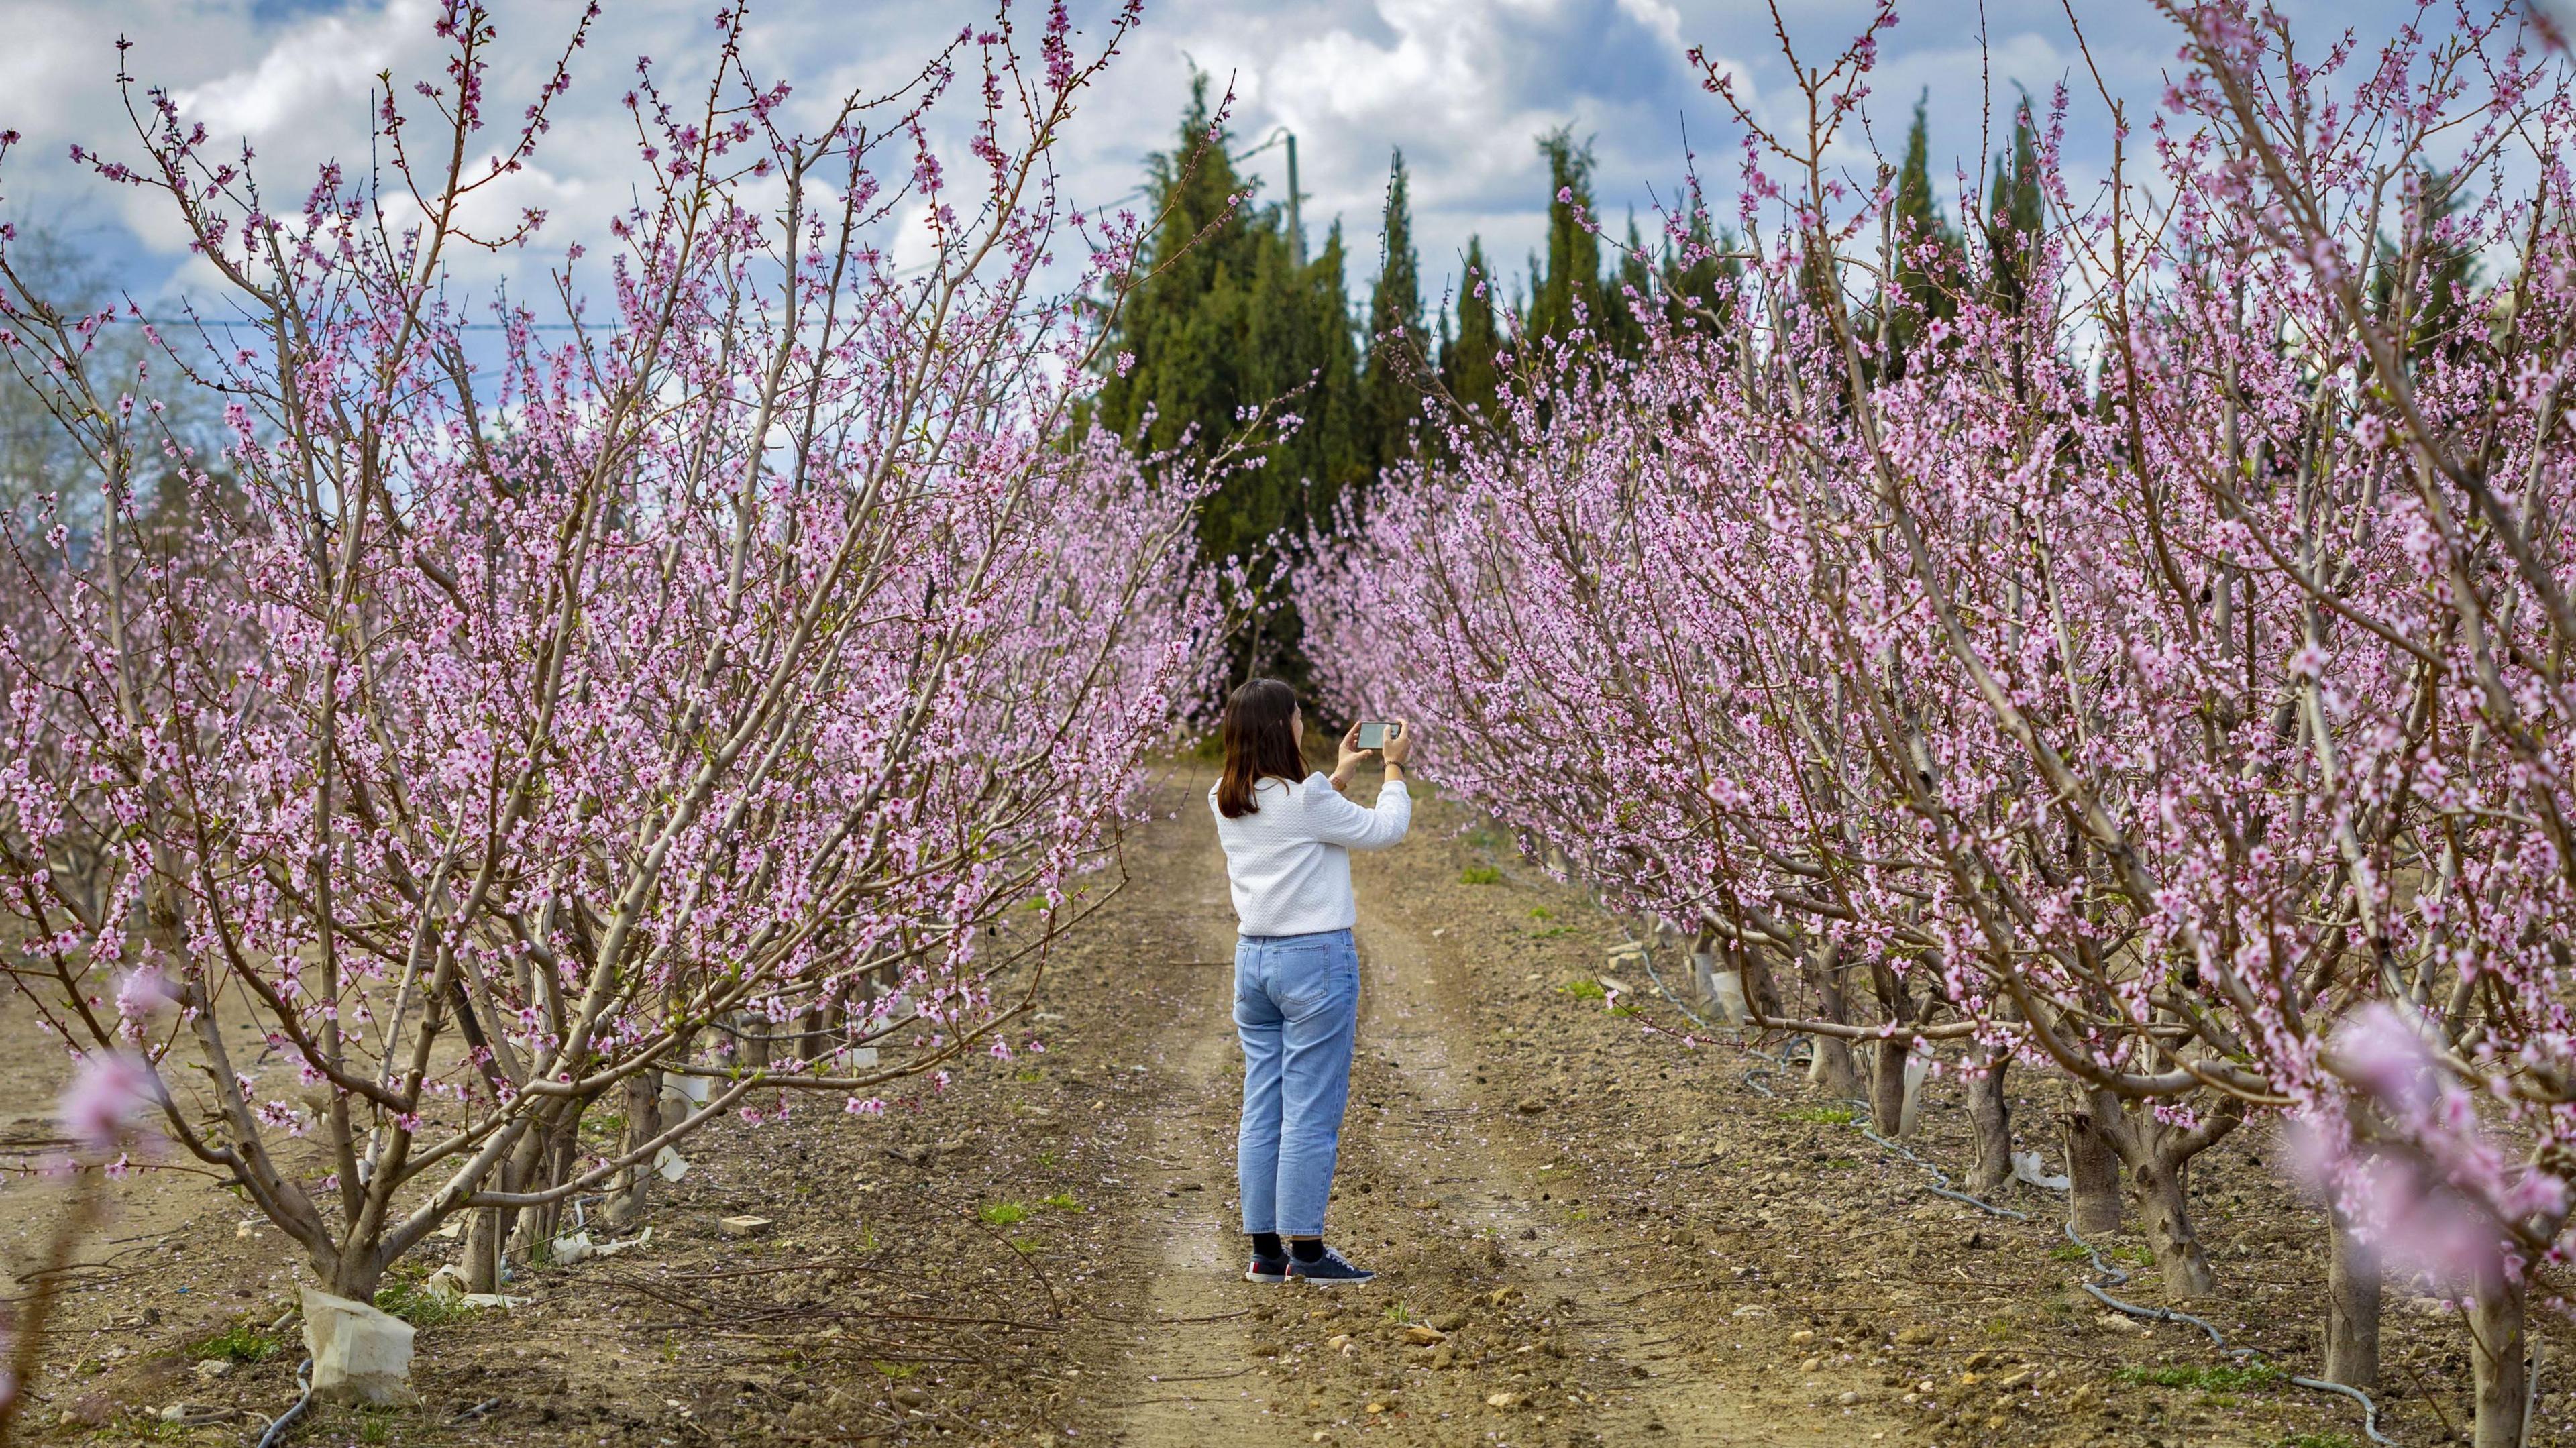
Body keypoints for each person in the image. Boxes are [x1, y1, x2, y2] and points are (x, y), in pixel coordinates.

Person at [1208, 678, 1415, 1285]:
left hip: (1254, 962)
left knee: (1263, 1102)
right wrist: (1394, 770)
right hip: (1315, 962)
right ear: (1283, 728)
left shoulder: (1225, 795)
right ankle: (1307, 1248)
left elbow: (1300, 820)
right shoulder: (1306, 801)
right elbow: (1384, 829)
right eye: (1298, 716)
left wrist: (1340, 773)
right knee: (1310, 1108)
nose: (1303, 724)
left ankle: (1267, 1250)